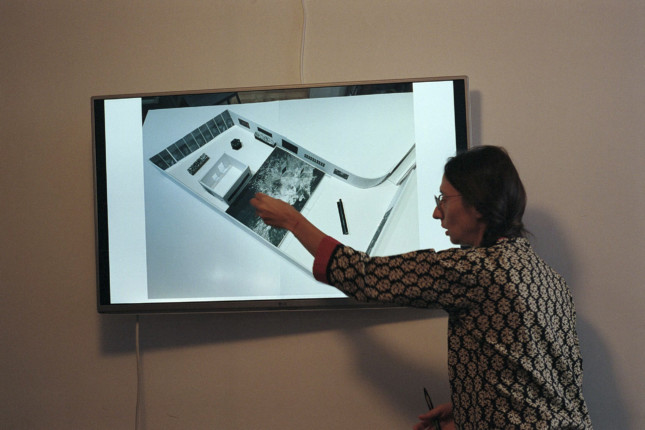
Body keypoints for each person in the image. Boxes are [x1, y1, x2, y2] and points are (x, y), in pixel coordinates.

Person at [250, 146, 592, 429]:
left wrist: (293, 221)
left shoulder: (478, 270)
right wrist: (469, 409)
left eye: (444, 198)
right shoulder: (549, 277)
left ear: (477, 205)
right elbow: (538, 377)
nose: (436, 213)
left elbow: (365, 275)